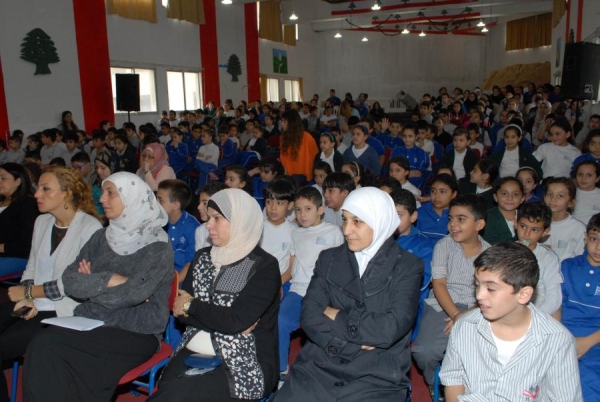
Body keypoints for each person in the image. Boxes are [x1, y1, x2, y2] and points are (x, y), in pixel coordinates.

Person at [24, 172, 173, 401]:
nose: (102, 198)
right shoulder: (102, 237)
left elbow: (128, 296)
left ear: (132, 198)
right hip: (92, 322)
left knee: (50, 347)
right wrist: (110, 279)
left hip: (136, 331)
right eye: (103, 192)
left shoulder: (157, 245)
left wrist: (91, 282)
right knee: (42, 344)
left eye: (110, 193)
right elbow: (69, 281)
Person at [274, 187, 423, 401]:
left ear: (380, 221)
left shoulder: (407, 266)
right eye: (345, 219)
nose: (346, 230)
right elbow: (309, 316)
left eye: (357, 221)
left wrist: (335, 314)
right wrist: (355, 340)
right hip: (320, 367)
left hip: (376, 376)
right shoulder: (328, 258)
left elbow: (390, 328)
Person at [148, 188, 280, 401]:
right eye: (209, 218)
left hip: (243, 360)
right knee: (168, 388)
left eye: (217, 218)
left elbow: (231, 319)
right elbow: (182, 314)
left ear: (240, 221)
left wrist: (193, 306)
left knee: (178, 394)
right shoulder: (202, 258)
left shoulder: (264, 266)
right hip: (192, 349)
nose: (208, 224)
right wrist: (227, 321)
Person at [0, 167, 102, 401]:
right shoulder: (42, 221)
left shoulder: (90, 228)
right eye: (38, 189)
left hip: (66, 309)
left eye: (46, 189)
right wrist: (28, 297)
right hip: (36, 301)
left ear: (67, 193)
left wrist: (28, 291)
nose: (37, 194)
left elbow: (72, 285)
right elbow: (32, 267)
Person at [440, 242, 582, 402]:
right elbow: (453, 379)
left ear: (524, 294)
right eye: (477, 284)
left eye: (491, 289)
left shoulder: (557, 339)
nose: (479, 295)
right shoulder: (465, 326)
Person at [412, 194, 490, 392]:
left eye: (461, 219)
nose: (453, 224)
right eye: (450, 219)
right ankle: (437, 385)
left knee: (479, 353)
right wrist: (456, 315)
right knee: (424, 351)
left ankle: (471, 388)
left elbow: (490, 292)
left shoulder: (490, 253)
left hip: (478, 307)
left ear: (479, 224)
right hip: (443, 304)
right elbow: (439, 284)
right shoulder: (443, 246)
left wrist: (466, 315)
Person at [278, 187, 344, 379]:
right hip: (298, 290)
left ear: (320, 210)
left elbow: (341, 266)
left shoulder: (333, 231)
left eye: (308, 209)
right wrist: (276, 285)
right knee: (280, 320)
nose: (302, 214)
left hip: (322, 293)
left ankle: (319, 373)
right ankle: (281, 370)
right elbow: (291, 266)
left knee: (319, 329)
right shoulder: (295, 234)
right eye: (298, 210)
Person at [559, 213, 600, 401]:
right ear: (585, 237)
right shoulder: (567, 267)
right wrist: (562, 340)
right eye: (594, 239)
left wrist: (588, 342)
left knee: (589, 381)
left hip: (596, 340)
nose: (598, 247)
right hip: (564, 336)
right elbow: (556, 308)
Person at [391, 188, 433, 341]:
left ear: (413, 216)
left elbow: (420, 284)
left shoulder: (424, 246)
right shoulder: (378, 240)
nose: (393, 220)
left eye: (399, 215)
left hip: (408, 303)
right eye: (389, 214)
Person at [514, 201, 562, 315]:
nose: (526, 234)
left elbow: (553, 298)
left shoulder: (548, 257)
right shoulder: (504, 252)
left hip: (538, 313)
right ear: (515, 223)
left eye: (534, 230)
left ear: (545, 231)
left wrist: (533, 317)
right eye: (523, 226)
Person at [0, 163, 40, 278]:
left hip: (17, 256)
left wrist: (2, 247)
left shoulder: (27, 204)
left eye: (3, 178)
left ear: (18, 181)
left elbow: (27, 243)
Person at [157, 180, 199, 283]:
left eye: (160, 200)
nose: (156, 203)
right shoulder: (156, 221)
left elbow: (191, 262)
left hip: (181, 280)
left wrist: (173, 284)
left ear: (175, 205)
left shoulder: (194, 228)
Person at [260, 180, 297, 298]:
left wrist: (277, 283)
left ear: (290, 205)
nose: (273, 208)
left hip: (283, 280)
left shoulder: (294, 231)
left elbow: (292, 267)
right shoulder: (257, 228)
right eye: (269, 202)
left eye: (279, 203)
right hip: (259, 279)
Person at [543, 177, 586, 262]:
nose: (553, 199)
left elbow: (580, 258)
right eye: (550, 194)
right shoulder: (537, 222)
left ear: (570, 203)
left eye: (560, 196)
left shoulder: (578, 228)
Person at [279, 109, 319, 185]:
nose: (281, 124)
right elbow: (283, 156)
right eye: (281, 121)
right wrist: (285, 171)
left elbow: (315, 156)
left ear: (292, 123)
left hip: (304, 175)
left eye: (284, 121)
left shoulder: (307, 137)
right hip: (288, 174)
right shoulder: (283, 137)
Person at [416, 173, 458, 241]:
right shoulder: (419, 213)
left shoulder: (458, 215)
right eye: (433, 191)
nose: (436, 196)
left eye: (442, 192)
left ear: (454, 194)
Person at [483, 177, 524, 245]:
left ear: (522, 199)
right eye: (504, 194)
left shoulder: (525, 217)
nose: (510, 198)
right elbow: (490, 243)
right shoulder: (488, 217)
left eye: (515, 194)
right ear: (495, 197)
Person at [573, 161, 600, 225]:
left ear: (597, 178)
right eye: (580, 174)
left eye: (589, 175)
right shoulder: (570, 194)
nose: (583, 178)